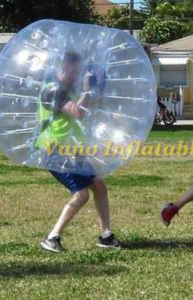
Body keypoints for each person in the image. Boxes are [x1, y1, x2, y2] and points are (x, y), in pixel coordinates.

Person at [36, 51, 122, 252]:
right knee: (81, 194)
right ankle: (52, 238)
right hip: (54, 150)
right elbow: (77, 112)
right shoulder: (53, 91)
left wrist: (96, 88)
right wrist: (85, 89)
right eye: (72, 71)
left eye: (78, 71)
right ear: (60, 68)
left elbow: (90, 108)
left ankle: (106, 236)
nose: (76, 75)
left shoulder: (68, 89)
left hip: (71, 150)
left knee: (99, 185)